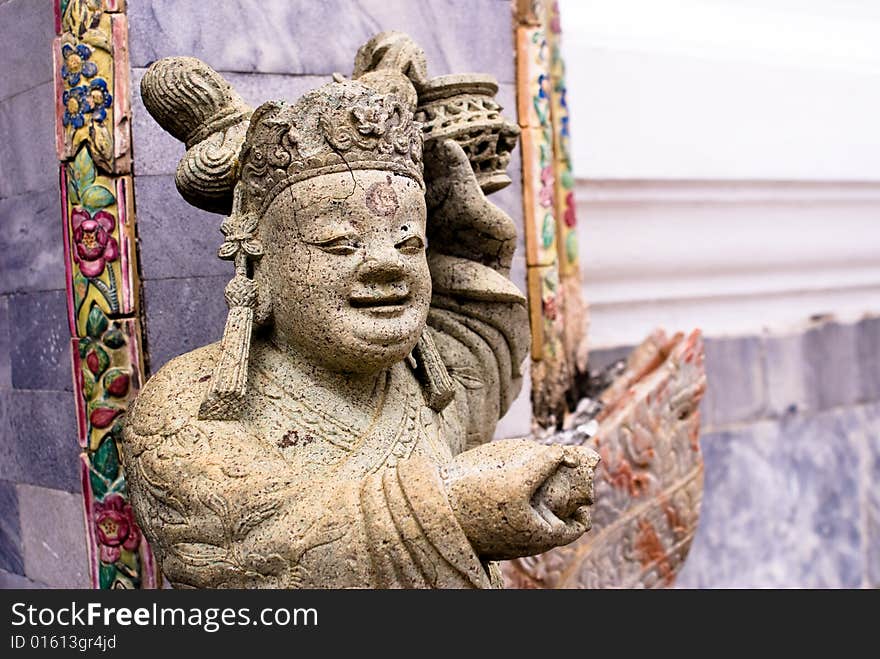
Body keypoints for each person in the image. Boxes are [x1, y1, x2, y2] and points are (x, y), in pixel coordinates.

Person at [122, 56, 597, 589]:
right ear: (262, 261)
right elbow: (250, 548)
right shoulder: (188, 403)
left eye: (408, 243)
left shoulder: (430, 386)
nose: (386, 263)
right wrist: (455, 510)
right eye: (338, 244)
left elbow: (476, 292)